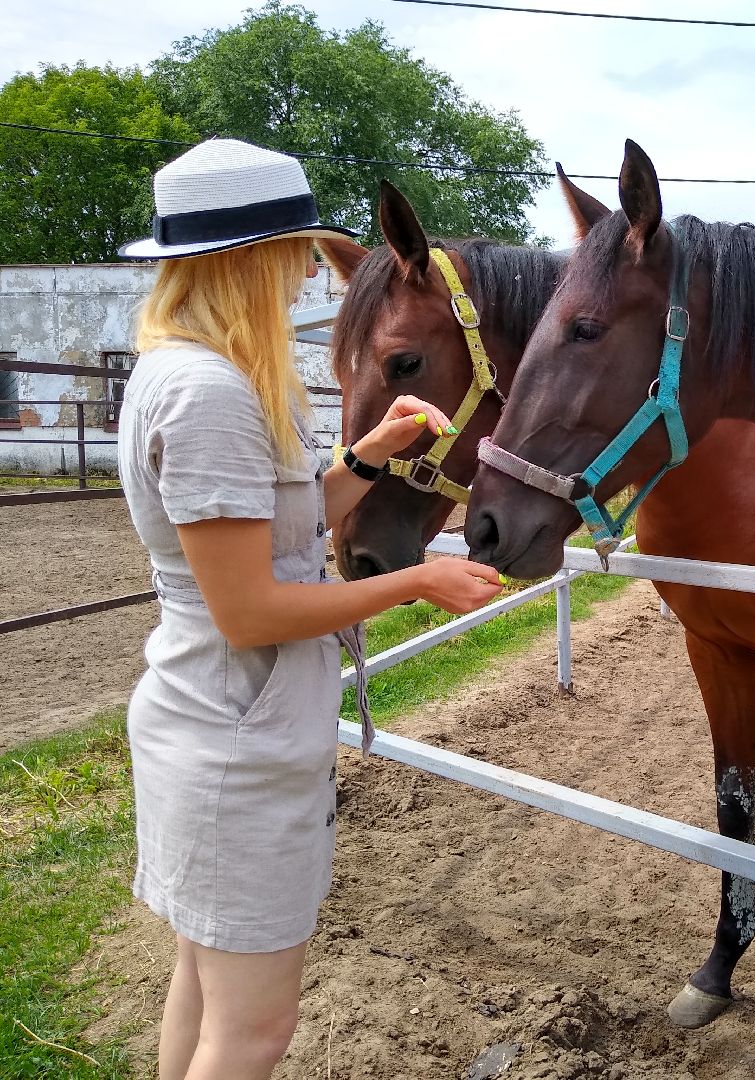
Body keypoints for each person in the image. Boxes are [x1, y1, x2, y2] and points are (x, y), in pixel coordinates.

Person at [116, 138, 502, 1079]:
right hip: (232, 745)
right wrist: (416, 581)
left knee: (200, 991)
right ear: (245, 261)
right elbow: (250, 609)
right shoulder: (209, 395)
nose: (300, 277)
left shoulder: (194, 372)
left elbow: (278, 537)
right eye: (289, 255)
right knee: (254, 1033)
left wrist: (368, 454)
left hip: (219, 725)